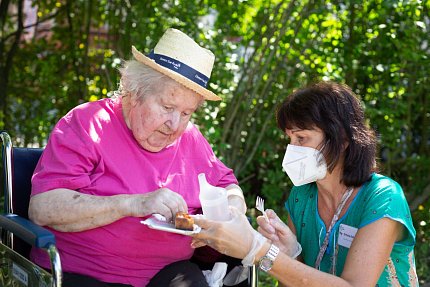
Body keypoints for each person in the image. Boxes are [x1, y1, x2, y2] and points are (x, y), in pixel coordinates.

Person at [28, 28, 247, 287]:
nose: (175, 124)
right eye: (167, 107)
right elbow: (42, 208)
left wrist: (232, 210)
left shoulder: (190, 139)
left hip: (169, 275)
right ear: (133, 92)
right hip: (86, 274)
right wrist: (132, 204)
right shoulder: (87, 124)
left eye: (187, 113)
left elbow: (228, 186)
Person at [192, 81, 419, 286]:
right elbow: (297, 279)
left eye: (301, 138)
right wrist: (291, 253)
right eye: (290, 139)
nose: (292, 150)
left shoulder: (383, 197)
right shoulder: (301, 196)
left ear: (341, 140)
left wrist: (260, 250)